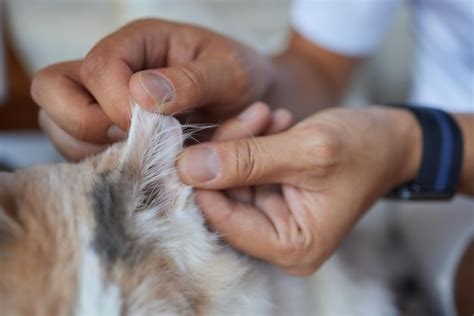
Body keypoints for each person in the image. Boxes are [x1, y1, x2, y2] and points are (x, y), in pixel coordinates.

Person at [31, 1, 472, 313]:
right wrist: (252, 86)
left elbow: (412, 147)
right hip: (440, 197)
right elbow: (321, 65)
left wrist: (419, 148)